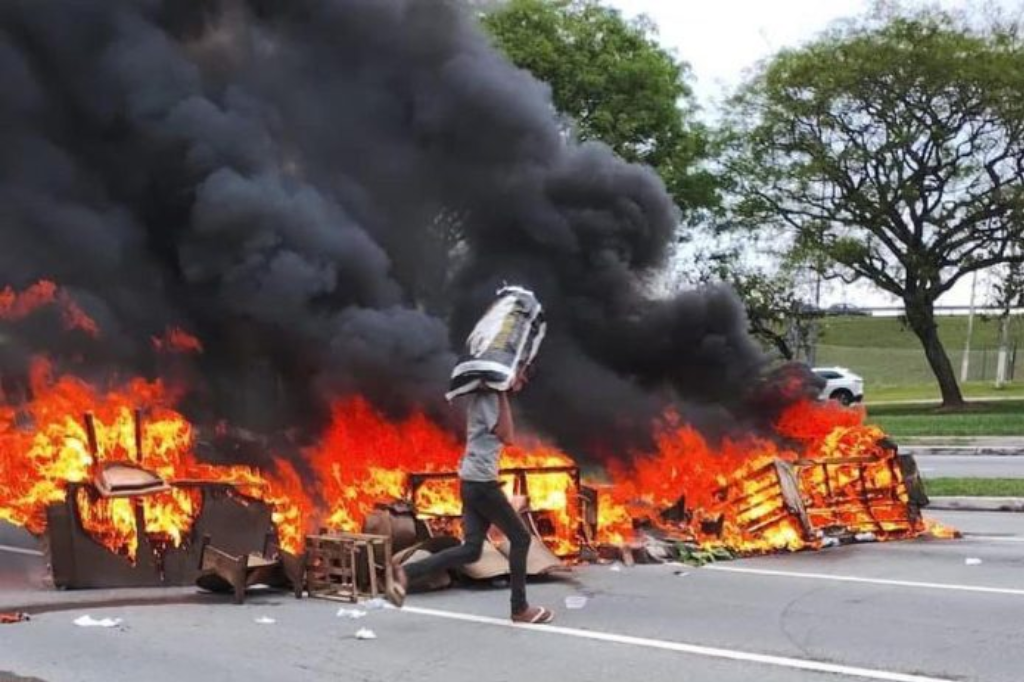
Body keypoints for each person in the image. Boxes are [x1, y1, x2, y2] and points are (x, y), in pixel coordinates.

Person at [387, 369, 554, 624]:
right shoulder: (488, 399)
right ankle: (520, 608)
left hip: (472, 482)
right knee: (520, 538)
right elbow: (507, 436)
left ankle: (405, 572)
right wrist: (502, 393)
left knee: (471, 550)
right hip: (482, 483)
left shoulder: (485, 397)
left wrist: (502, 391)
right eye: (519, 373)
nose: (523, 379)